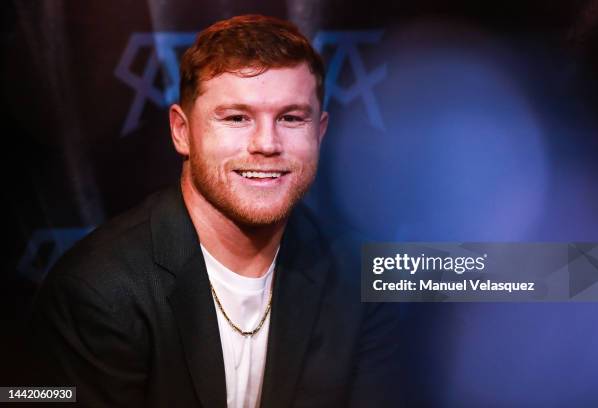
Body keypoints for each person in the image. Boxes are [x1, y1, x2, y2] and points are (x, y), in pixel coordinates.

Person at [29, 14, 404, 407]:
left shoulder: (357, 279)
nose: (266, 143)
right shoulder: (98, 290)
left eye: (291, 118)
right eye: (237, 118)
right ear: (181, 131)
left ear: (319, 132)